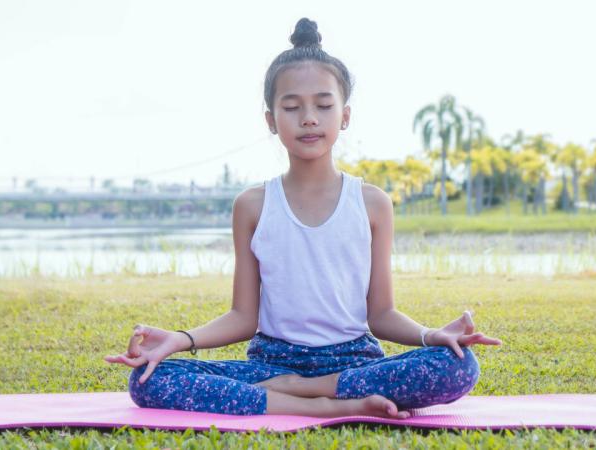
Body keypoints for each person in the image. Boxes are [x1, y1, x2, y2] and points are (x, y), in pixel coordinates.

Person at [104, 17, 502, 419]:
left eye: (323, 105)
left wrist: (430, 335)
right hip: (271, 365)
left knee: (459, 366)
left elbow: (380, 315)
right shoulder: (252, 205)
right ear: (271, 120)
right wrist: (180, 339)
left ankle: (302, 393)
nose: (309, 117)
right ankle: (322, 404)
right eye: (292, 107)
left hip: (353, 364)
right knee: (149, 380)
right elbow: (244, 317)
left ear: (344, 116)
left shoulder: (372, 203)